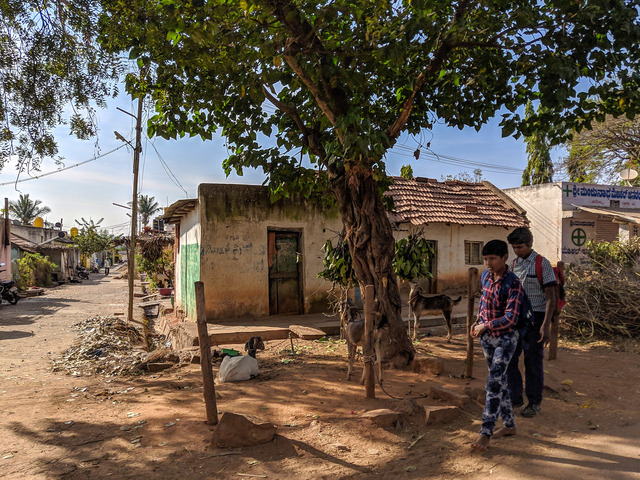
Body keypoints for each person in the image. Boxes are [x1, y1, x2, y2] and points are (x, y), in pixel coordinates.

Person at [471, 239, 526, 451]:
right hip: (487, 339)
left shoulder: (513, 283)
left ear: (505, 257)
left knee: (493, 382)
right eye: (485, 259)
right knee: (500, 382)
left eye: (492, 258)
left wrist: (486, 325)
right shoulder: (485, 276)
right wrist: (478, 322)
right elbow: (483, 303)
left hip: (505, 339)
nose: (488, 263)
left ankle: (486, 432)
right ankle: (509, 425)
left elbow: (511, 318)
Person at [506, 227, 557, 418]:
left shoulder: (541, 264)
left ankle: (534, 402)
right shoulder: (513, 264)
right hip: (516, 318)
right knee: (510, 358)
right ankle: (515, 397)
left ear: (529, 244)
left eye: (520, 247)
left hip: (536, 318)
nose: (517, 251)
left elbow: (551, 296)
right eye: (514, 248)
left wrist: (546, 325)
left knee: (532, 361)